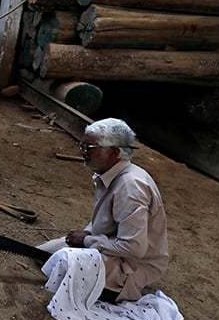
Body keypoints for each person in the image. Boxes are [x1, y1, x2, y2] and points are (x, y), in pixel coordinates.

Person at [38, 118, 169, 303]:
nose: (82, 152)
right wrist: (89, 236)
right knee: (41, 254)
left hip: (130, 265)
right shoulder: (110, 174)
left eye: (90, 148)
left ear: (114, 151)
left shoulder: (131, 187)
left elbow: (134, 248)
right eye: (83, 145)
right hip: (109, 249)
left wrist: (88, 240)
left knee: (64, 264)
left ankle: (118, 288)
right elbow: (106, 224)